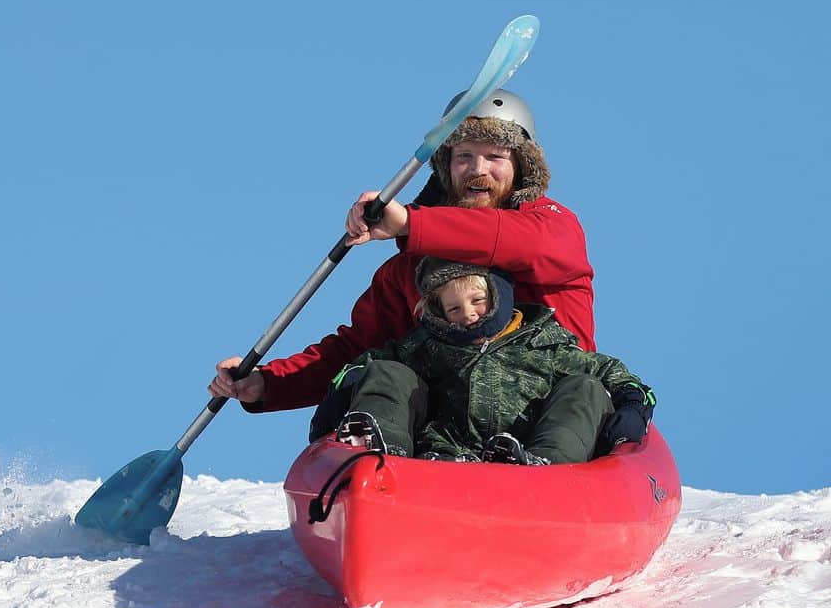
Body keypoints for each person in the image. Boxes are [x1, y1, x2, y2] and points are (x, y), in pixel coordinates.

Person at [209, 89, 595, 417]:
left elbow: (516, 241)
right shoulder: (407, 271)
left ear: (520, 167)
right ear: (445, 168)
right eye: (463, 157)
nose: (478, 170)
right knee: (383, 373)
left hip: (547, 414)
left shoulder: (552, 226)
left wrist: (411, 224)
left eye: (495, 157)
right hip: (450, 433)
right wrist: (268, 383)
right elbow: (356, 351)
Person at [327, 255, 653, 466]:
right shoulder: (428, 346)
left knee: (586, 387)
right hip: (446, 454)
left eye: (478, 301)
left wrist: (633, 404)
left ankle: (548, 467)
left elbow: (611, 372)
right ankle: (380, 451)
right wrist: (342, 391)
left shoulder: (543, 344)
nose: (467, 314)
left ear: (497, 296)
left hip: (524, 450)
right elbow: (371, 363)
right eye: (453, 309)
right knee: (389, 371)